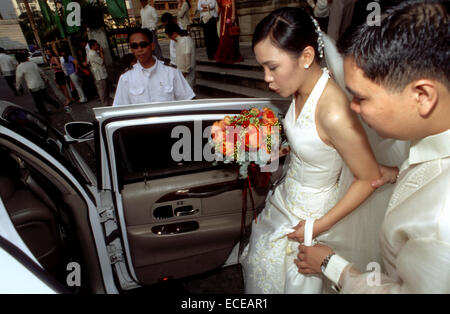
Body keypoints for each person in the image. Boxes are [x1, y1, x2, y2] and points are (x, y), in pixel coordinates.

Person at [229, 7, 403, 294]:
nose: (266, 78)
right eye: (262, 67)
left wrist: (316, 227)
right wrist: (280, 149)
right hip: (285, 201)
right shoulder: (300, 88)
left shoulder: (334, 111)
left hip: (312, 214)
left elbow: (368, 178)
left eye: (272, 67)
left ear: (307, 57)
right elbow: (319, 145)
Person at [295, 0, 450, 294]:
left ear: (422, 95)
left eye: (361, 98)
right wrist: (396, 173)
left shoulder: (441, 223)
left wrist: (331, 264)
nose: (352, 108)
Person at [113, 28, 195, 107]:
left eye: (143, 44)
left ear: (152, 46)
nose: (139, 49)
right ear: (131, 49)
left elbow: (188, 101)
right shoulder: (126, 78)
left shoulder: (171, 72)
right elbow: (119, 110)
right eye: (135, 46)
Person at [165, 22, 196, 88]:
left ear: (174, 33)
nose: (171, 39)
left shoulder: (185, 40)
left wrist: (184, 72)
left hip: (186, 74)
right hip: (181, 72)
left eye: (170, 36)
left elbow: (187, 56)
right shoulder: (179, 40)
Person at [45, 48, 73, 112]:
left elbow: (60, 67)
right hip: (57, 74)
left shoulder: (54, 58)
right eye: (46, 52)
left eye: (49, 52)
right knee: (60, 87)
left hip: (60, 73)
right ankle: (68, 98)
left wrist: (53, 66)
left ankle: (68, 99)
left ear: (51, 52)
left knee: (63, 87)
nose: (48, 53)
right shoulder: (51, 59)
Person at [87, 40, 111, 106]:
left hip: (101, 73)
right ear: (93, 46)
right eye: (96, 45)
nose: (97, 46)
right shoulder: (92, 54)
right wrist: (101, 52)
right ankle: (105, 105)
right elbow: (101, 61)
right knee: (102, 91)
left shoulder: (94, 52)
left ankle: (107, 103)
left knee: (105, 89)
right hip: (99, 75)